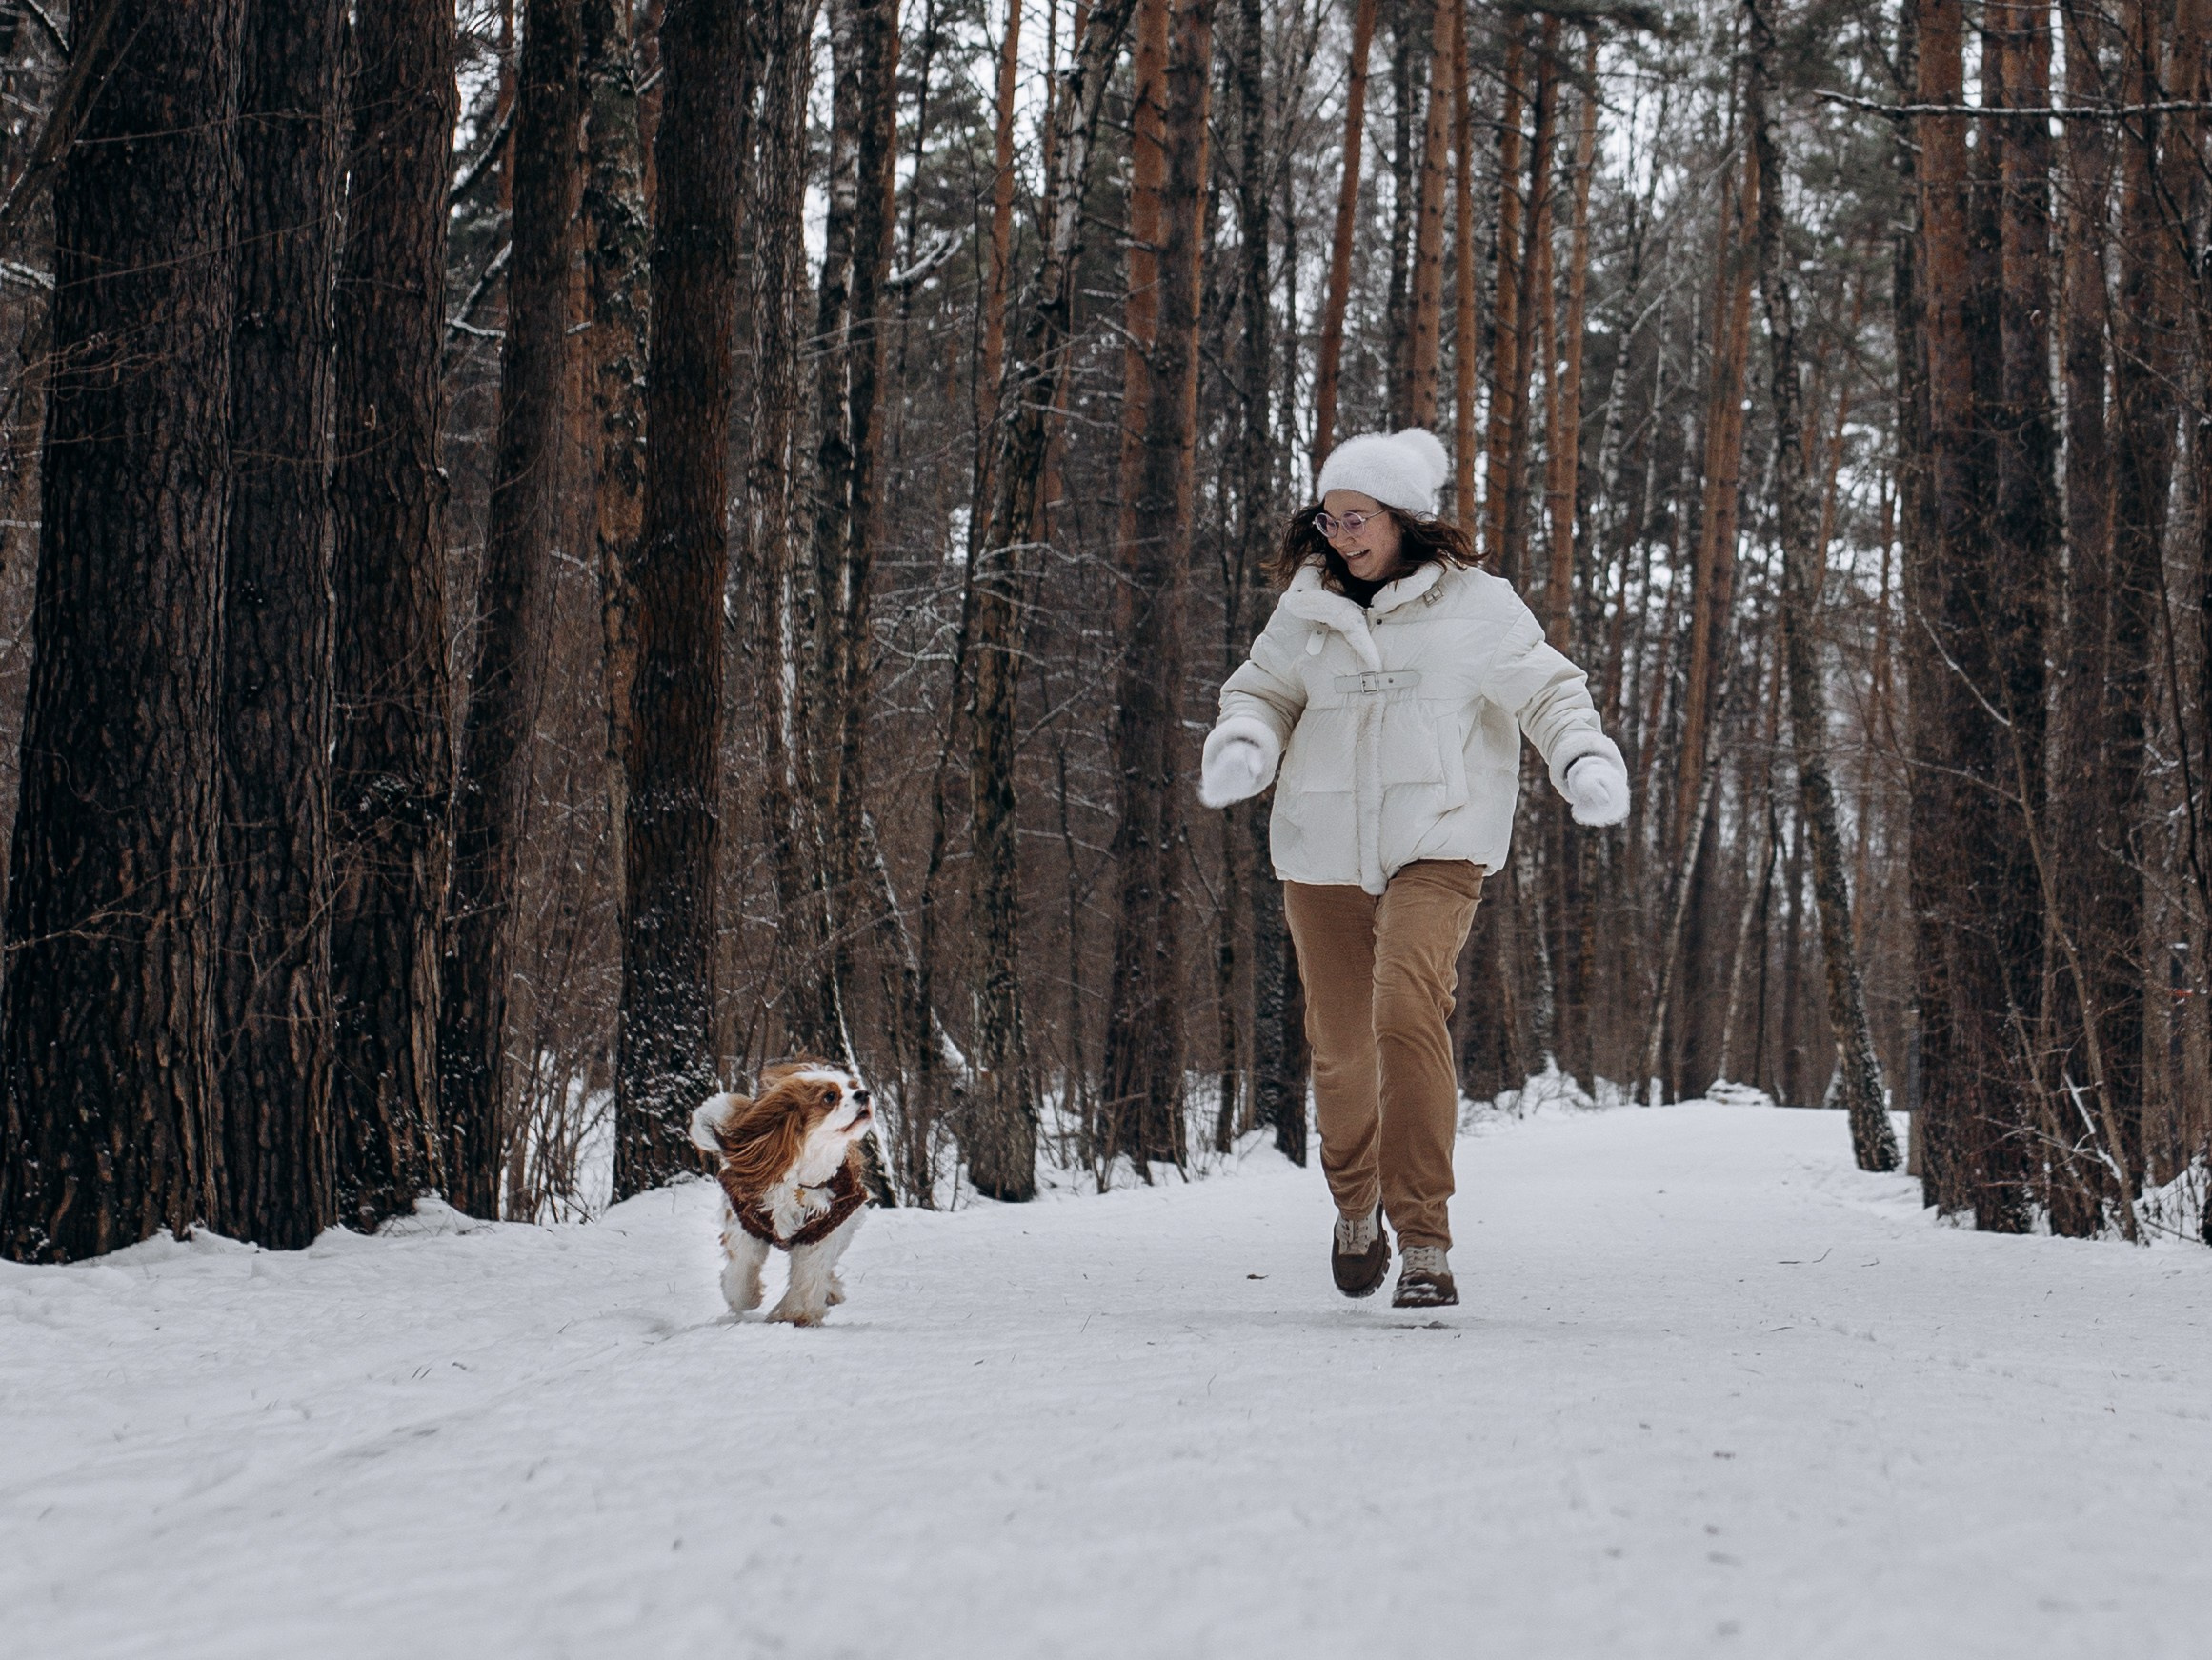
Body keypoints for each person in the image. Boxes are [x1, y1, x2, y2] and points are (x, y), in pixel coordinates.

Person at [1197, 427, 1629, 1308]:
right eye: (1330, 517)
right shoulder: (1306, 607)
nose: (1339, 533)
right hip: (1322, 850)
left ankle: (1425, 1239)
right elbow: (1262, 691)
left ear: (1403, 520)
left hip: (1439, 840)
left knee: (1405, 1006)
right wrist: (1244, 742)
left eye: (1357, 517)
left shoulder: (1480, 606)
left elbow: (1549, 689)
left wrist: (1582, 758)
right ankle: (1356, 1208)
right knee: (1344, 1046)